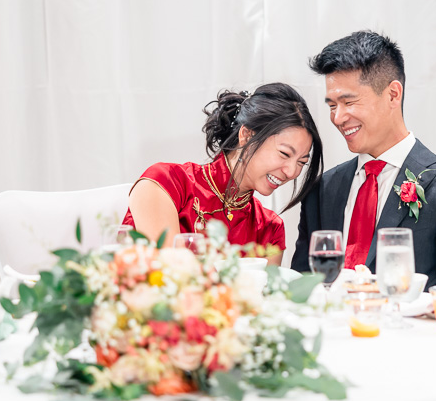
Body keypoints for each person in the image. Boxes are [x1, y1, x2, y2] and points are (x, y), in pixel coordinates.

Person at [290, 31, 436, 296]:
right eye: (332, 105)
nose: (338, 117)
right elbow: (300, 287)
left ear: (393, 94)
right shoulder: (323, 189)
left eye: (349, 102)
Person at [123, 83, 323, 265]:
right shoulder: (166, 183)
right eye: (284, 154)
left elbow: (265, 302)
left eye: (301, 162)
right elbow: (169, 281)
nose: (291, 172)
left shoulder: (270, 228)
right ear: (246, 135)